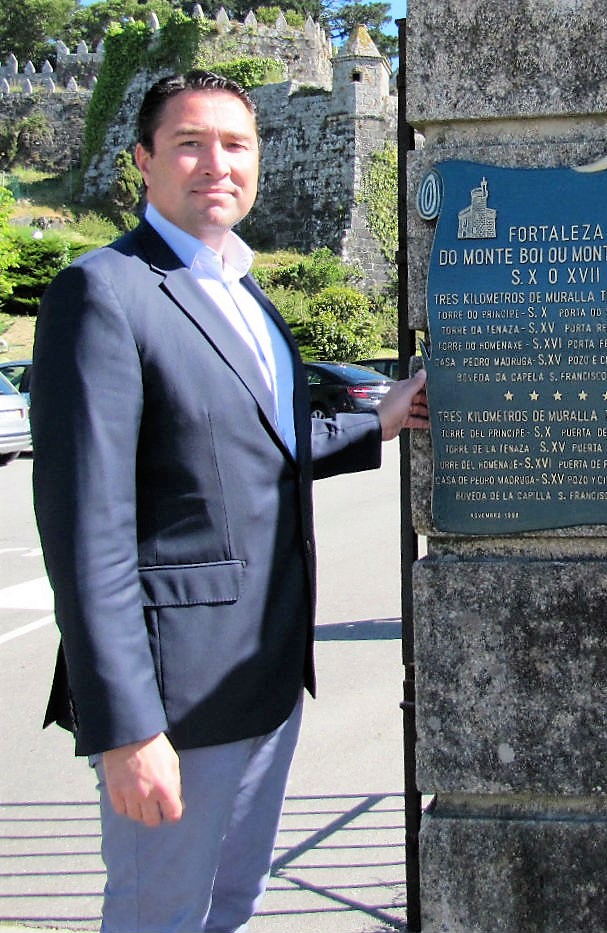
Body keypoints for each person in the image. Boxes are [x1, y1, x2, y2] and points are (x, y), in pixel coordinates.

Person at [31, 70, 429, 933]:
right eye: (189, 142)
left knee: (230, 907)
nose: (217, 162)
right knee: (159, 918)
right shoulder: (103, 291)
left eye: (236, 144)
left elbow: (252, 457)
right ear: (143, 161)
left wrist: (379, 422)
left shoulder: (249, 296)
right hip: (175, 701)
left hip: (269, 677)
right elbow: (85, 531)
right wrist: (126, 729)